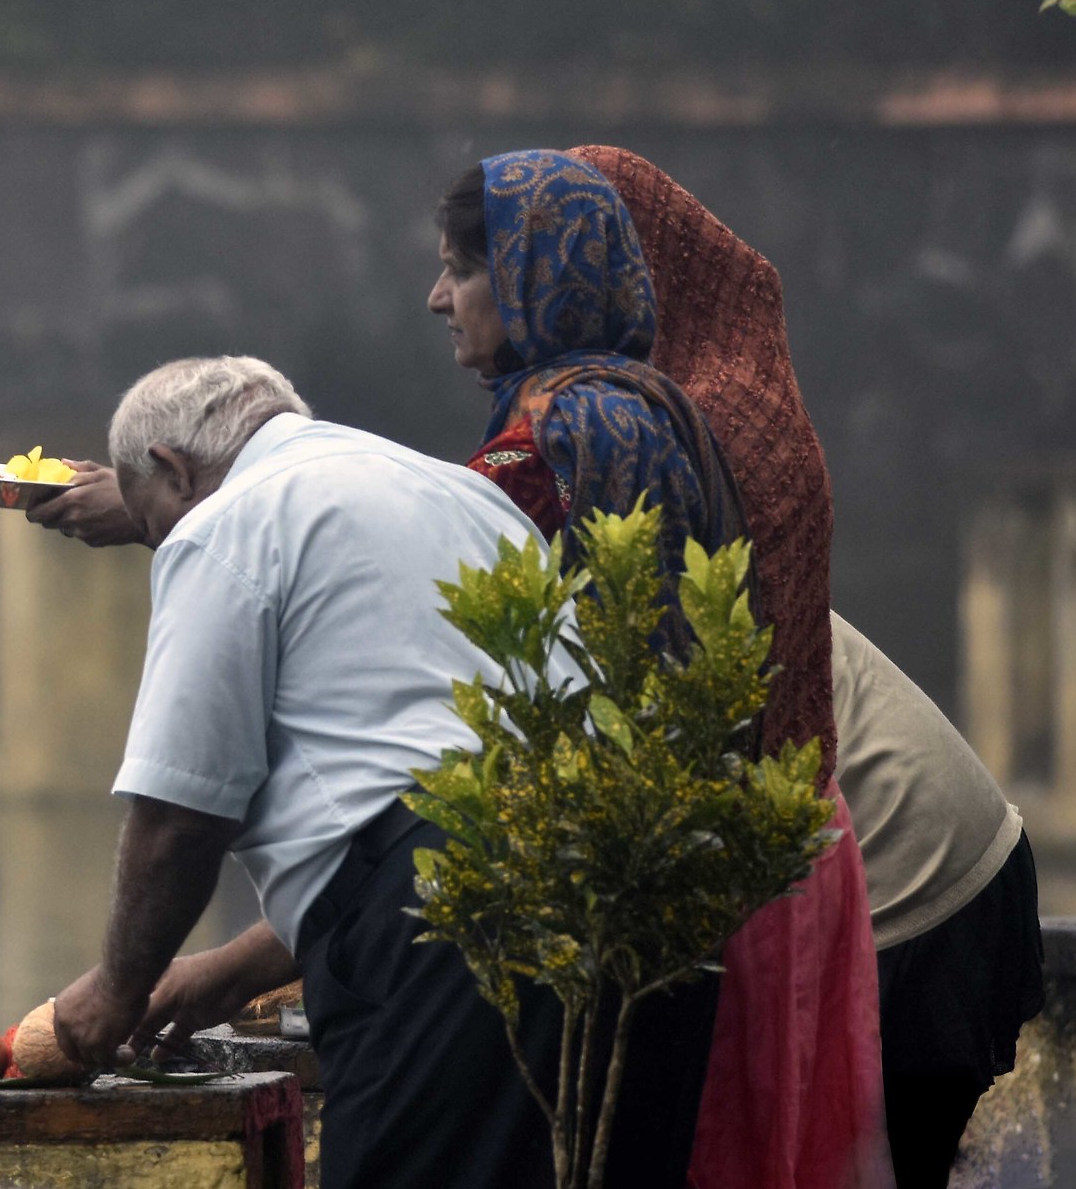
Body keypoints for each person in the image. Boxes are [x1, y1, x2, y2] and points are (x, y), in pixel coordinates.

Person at [44, 354, 713, 1187]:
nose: (159, 542)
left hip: (449, 941)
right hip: (634, 895)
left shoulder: (225, 525)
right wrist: (219, 973)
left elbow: (182, 819)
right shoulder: (462, 493)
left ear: (175, 471)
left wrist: (116, 988)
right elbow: (414, 776)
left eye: (152, 525)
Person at [568, 145, 1041, 1189]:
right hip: (885, 854)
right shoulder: (643, 428)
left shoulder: (680, 432)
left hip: (916, 884)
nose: (441, 298)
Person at [431, 148, 890, 1189]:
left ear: (538, 268)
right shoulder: (646, 402)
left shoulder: (566, 430)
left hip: (649, 877)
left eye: (460, 267)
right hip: (741, 846)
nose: (436, 298)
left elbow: (418, 570)